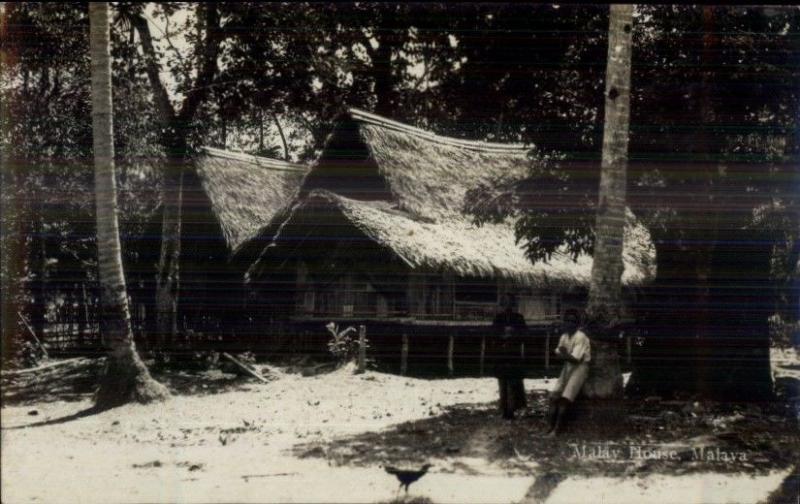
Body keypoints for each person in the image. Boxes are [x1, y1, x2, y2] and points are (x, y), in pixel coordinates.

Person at [547, 309, 591, 436]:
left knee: (565, 398)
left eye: (572, 321)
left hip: (580, 367)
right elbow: (557, 354)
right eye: (567, 321)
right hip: (568, 366)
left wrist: (564, 354)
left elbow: (576, 359)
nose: (569, 324)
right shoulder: (564, 336)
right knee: (554, 395)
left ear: (577, 324)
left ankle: (557, 430)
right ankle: (549, 427)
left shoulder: (580, 336)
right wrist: (565, 355)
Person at [490, 294, 528, 419]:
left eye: (510, 303)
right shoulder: (498, 318)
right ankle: (505, 409)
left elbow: (525, 334)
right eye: (505, 303)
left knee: (514, 381)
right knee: (502, 381)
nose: (507, 306)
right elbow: (493, 334)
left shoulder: (518, 318)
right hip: (501, 353)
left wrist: (513, 334)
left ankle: (513, 408)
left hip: (513, 353)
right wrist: (503, 336)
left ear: (513, 305)